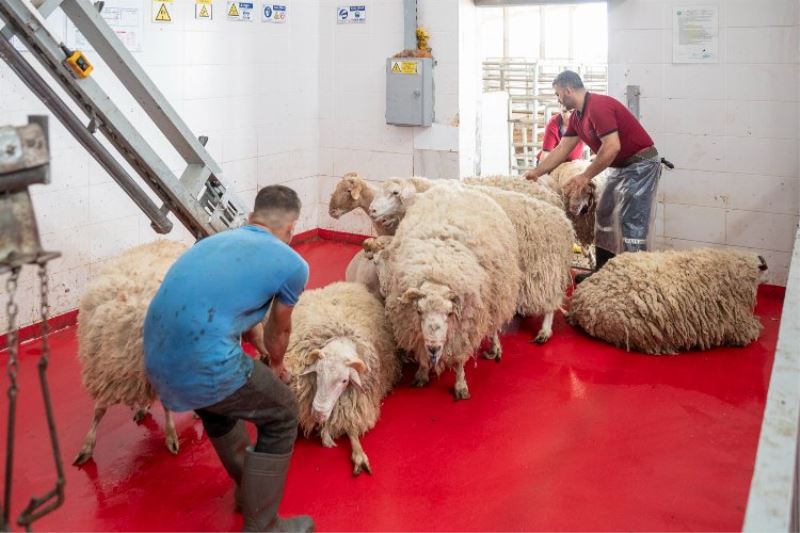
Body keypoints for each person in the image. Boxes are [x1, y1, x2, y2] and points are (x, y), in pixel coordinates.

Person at [143, 185, 314, 533]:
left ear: (251, 218)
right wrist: (276, 364)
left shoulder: (213, 243)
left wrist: (259, 347)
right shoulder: (292, 264)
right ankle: (264, 526)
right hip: (205, 360)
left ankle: (247, 491)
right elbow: (278, 330)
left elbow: (232, 310)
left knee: (218, 406)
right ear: (292, 227)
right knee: (283, 412)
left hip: (158, 360)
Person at [524, 70, 664, 282]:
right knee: (604, 214)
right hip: (620, 167)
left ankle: (635, 280)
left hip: (640, 165)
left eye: (558, 94)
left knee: (632, 223)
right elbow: (562, 149)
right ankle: (602, 273)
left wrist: (584, 176)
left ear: (568, 90)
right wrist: (535, 172)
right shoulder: (577, 117)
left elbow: (612, 147)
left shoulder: (597, 106)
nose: (558, 99)